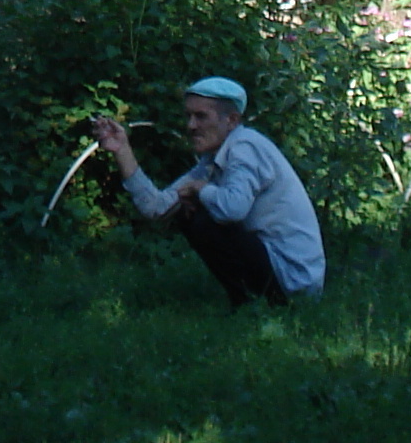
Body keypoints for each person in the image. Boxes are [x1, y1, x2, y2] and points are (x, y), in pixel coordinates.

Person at [92, 76, 325, 306]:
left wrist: (201, 189)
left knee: (204, 218)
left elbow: (233, 209)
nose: (191, 126)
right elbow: (155, 207)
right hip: (276, 267)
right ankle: (250, 304)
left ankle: (255, 304)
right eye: (189, 116)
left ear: (231, 120)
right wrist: (122, 150)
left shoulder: (246, 147)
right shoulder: (213, 160)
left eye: (201, 117)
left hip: (294, 278)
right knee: (191, 213)